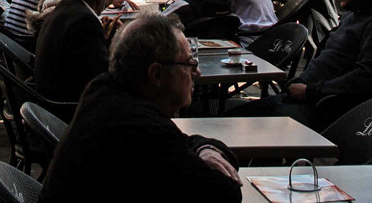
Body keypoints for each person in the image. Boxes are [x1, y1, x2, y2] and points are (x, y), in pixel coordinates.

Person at [39, 14, 242, 202]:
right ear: (156, 75)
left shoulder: (106, 91)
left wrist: (204, 148)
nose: (196, 72)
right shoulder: (138, 127)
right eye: (189, 62)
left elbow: (182, 140)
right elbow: (227, 193)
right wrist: (207, 150)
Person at [242, 0, 372, 127]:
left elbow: (365, 79)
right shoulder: (352, 16)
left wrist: (309, 91)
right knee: (234, 119)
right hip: (304, 97)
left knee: (245, 128)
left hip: (326, 110)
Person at [32, 0, 115, 104]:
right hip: (67, 107)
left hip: (48, 100)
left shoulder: (63, 8)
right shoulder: (85, 21)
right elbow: (102, 75)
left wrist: (103, 38)